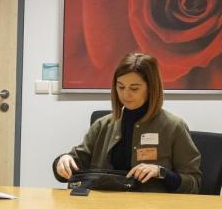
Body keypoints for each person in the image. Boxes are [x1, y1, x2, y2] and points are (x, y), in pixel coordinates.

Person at [53, 52, 201, 193]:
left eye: (134, 88)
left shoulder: (173, 126)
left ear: (151, 88)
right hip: (103, 208)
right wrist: (62, 161)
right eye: (120, 87)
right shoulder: (102, 125)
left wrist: (161, 172)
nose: (125, 94)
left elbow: (194, 184)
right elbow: (73, 165)